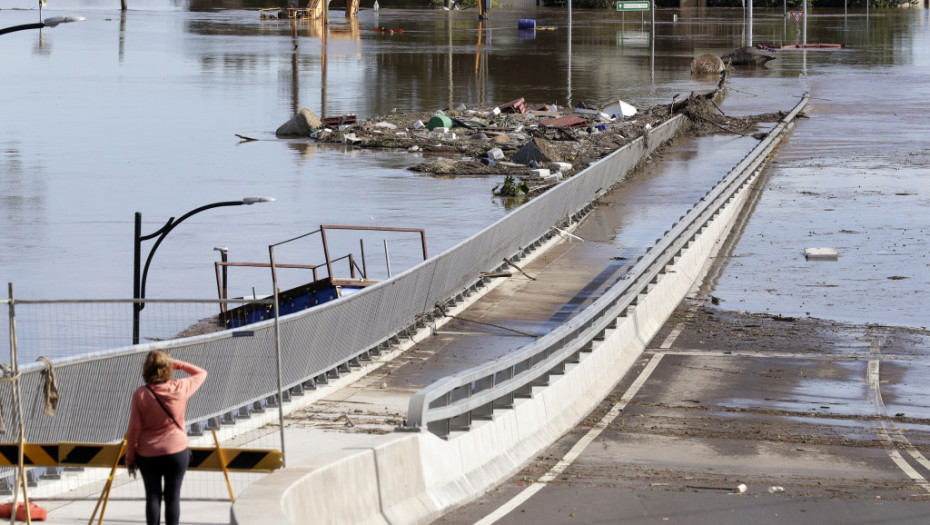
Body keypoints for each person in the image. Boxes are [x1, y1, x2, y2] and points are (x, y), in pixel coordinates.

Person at [125, 350, 207, 525]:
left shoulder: (141, 394)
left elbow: (133, 429)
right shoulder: (180, 387)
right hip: (176, 451)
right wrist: (175, 363)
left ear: (147, 369)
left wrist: (130, 458)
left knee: (153, 497)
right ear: (168, 369)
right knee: (172, 497)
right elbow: (201, 373)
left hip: (148, 454)